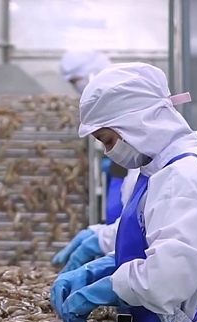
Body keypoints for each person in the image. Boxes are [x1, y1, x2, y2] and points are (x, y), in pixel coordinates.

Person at [51, 62, 197, 322]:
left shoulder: (181, 177)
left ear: (138, 124)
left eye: (109, 139)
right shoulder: (157, 168)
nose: (109, 151)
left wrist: (104, 287)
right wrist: (103, 264)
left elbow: (168, 278)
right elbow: (150, 238)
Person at [52, 49, 139, 273]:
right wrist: (100, 236)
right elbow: (140, 226)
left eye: (108, 140)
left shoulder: (176, 175)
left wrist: (116, 277)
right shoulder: (140, 170)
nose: (110, 150)